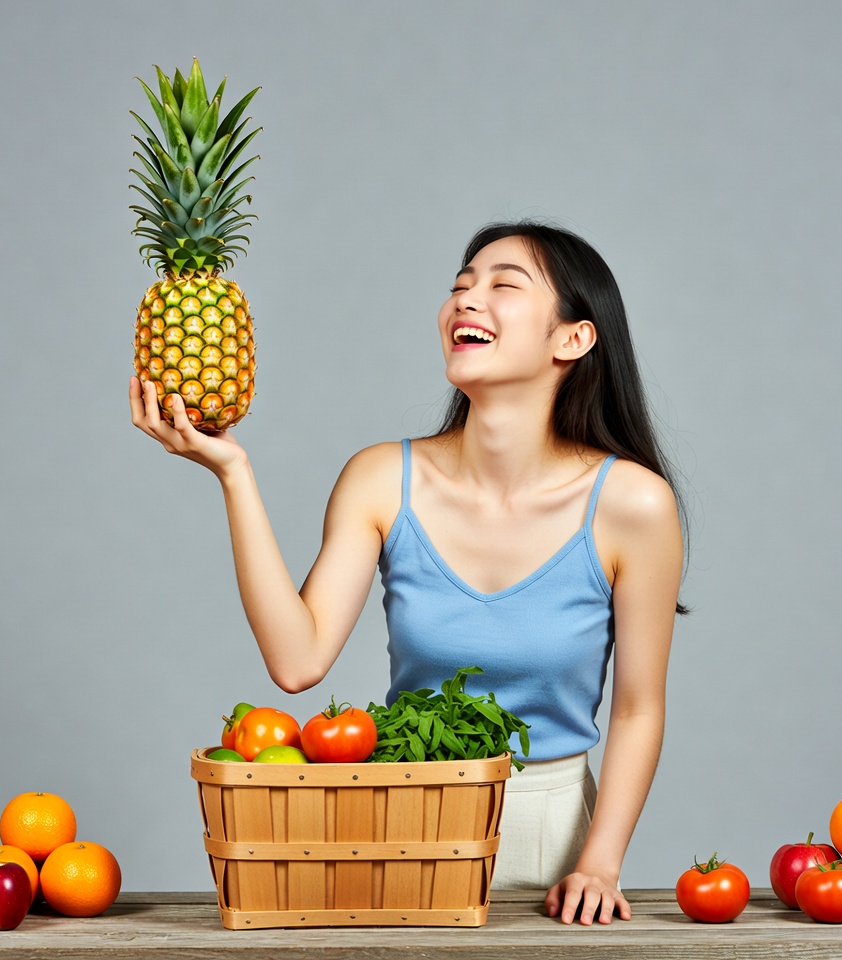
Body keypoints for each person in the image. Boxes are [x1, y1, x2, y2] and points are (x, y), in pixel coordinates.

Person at [129, 220, 686, 926]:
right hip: (404, 821)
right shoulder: (379, 480)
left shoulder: (633, 503)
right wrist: (233, 475)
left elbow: (639, 707)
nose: (466, 300)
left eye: (502, 285)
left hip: (554, 838)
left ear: (572, 339)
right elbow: (297, 662)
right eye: (460, 287)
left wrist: (599, 864)